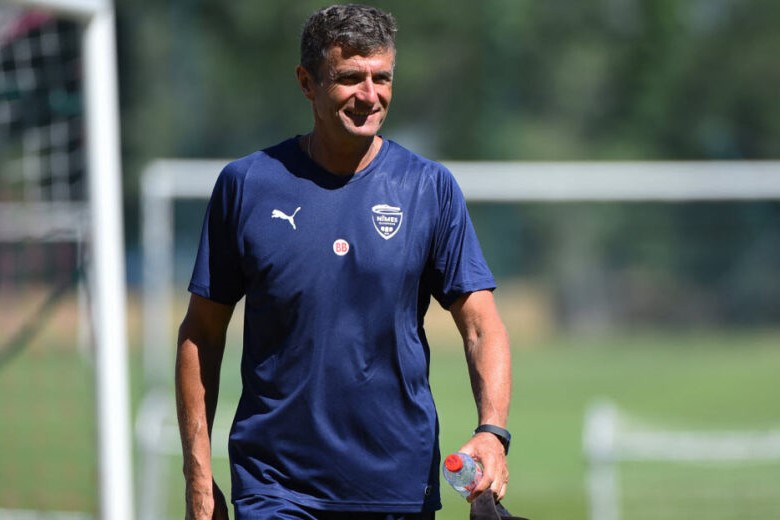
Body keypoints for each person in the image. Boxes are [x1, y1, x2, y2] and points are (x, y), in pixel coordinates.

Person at [176, 4, 512, 519]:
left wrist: (492, 432)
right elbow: (201, 333)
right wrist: (199, 480)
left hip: (397, 484)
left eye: (382, 78)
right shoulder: (246, 186)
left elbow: (481, 325)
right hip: (276, 487)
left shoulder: (428, 188)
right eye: (350, 78)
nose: (370, 95)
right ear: (307, 83)